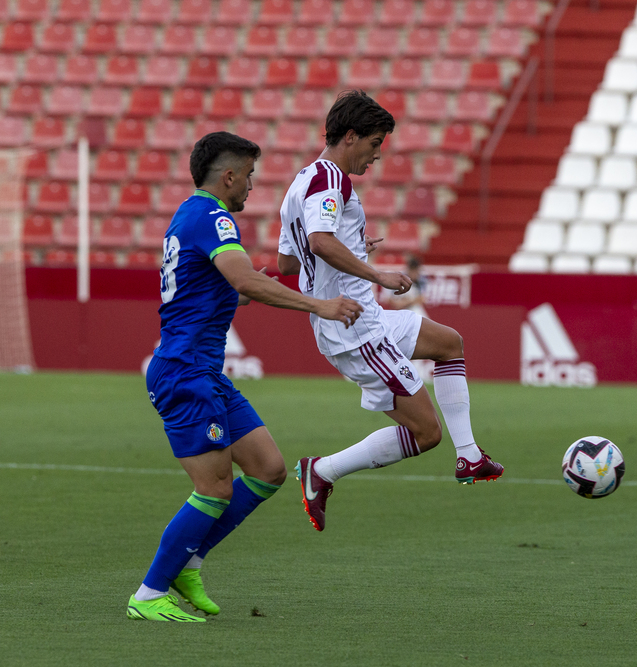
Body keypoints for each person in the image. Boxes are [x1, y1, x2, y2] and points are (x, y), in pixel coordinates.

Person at [128, 132, 363, 622]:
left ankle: (188, 562)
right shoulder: (211, 216)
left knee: (269, 470)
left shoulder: (187, 214)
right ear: (228, 176)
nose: (252, 186)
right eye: (249, 175)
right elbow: (241, 280)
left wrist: (260, 282)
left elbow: (228, 287)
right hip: (186, 373)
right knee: (214, 489)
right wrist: (319, 304)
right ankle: (150, 593)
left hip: (203, 371)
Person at [276, 90, 505, 533]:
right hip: (355, 329)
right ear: (350, 136)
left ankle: (470, 456)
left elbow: (290, 261)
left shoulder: (300, 184)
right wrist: (374, 273)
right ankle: (322, 471)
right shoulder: (331, 181)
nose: (377, 155)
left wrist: (353, 249)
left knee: (449, 342)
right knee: (426, 433)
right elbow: (321, 243)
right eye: (374, 143)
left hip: (368, 319)